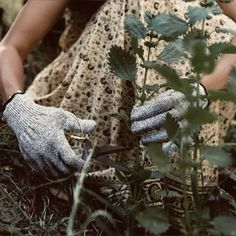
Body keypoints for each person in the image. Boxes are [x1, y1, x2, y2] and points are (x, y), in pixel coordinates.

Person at [0, 0, 236, 228]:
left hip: (192, 89)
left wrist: (201, 91)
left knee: (213, 25)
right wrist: (19, 109)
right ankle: (126, 177)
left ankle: (171, 187)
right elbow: (9, 46)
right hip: (95, 85)